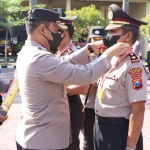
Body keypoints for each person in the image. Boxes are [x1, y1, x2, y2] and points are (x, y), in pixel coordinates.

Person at [15, 8, 129, 150]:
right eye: (55, 29)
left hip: (37, 136)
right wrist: (110, 54)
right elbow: (85, 74)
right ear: (42, 29)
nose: (58, 34)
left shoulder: (30, 52)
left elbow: (62, 62)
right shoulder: (39, 58)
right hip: (44, 141)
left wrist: (89, 49)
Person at [94, 4, 147, 150]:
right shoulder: (111, 58)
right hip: (100, 127)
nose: (107, 35)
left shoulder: (133, 65)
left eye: (113, 31)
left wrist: (130, 147)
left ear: (128, 35)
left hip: (118, 131)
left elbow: (138, 110)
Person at [56, 16, 88, 150]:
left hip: (71, 105)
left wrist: (62, 90)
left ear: (65, 33)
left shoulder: (75, 54)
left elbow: (85, 87)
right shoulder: (56, 52)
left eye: (55, 31)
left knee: (69, 144)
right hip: (59, 105)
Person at [82, 26, 107, 150]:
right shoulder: (84, 56)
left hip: (105, 106)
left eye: (99, 39)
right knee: (88, 140)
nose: (96, 42)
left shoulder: (109, 57)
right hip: (89, 104)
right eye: (93, 39)